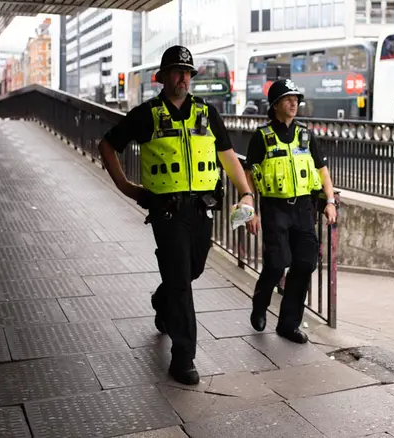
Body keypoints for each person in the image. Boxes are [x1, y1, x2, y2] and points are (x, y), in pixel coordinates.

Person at [98, 45, 258, 385]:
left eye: (187, 72)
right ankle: (183, 357)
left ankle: (161, 298)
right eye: (176, 71)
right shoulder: (147, 114)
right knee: (182, 283)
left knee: (192, 269)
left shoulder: (207, 113)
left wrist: (245, 192)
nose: (183, 78)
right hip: (166, 211)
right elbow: (107, 145)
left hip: (203, 208)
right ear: (163, 76)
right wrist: (126, 187)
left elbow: (228, 156)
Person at [244, 79, 337, 344]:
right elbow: (249, 174)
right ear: (274, 106)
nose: (294, 102)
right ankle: (260, 303)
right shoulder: (261, 136)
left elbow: (322, 170)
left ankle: (288, 324)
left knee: (305, 264)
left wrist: (329, 200)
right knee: (275, 264)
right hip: (274, 208)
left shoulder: (306, 135)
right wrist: (251, 209)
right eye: (287, 99)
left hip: (304, 209)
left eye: (296, 98)